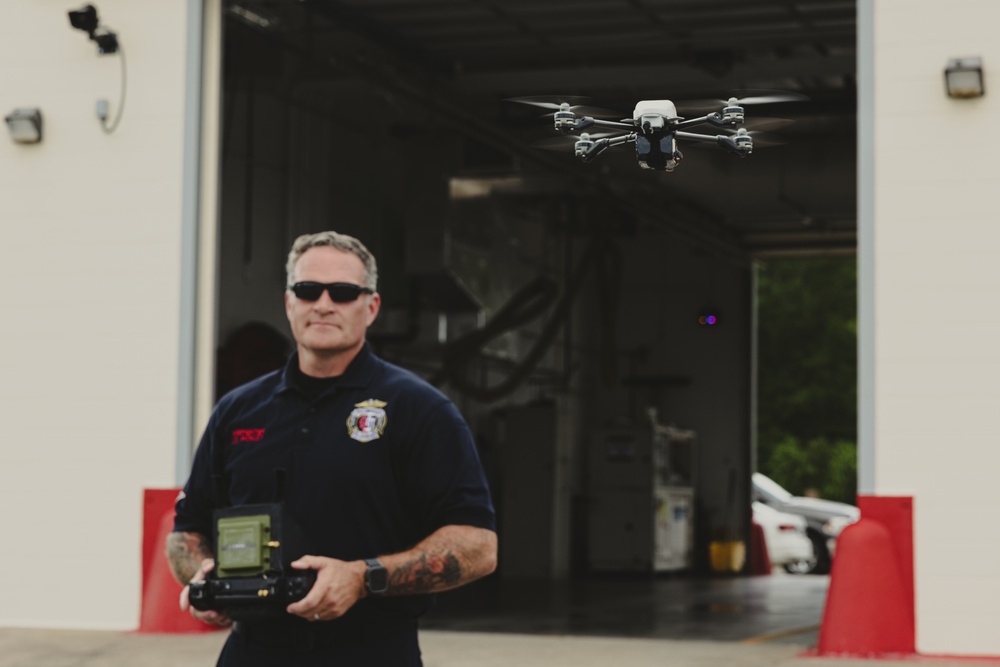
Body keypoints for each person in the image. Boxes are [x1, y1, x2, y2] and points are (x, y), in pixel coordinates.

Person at [167, 231, 498, 666]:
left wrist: (364, 577)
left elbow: (478, 546)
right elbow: (186, 534)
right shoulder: (237, 411)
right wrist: (203, 578)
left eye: (342, 293)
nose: (323, 304)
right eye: (308, 290)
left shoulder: (419, 409)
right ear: (289, 303)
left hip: (371, 651)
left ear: (371, 307)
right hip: (253, 653)